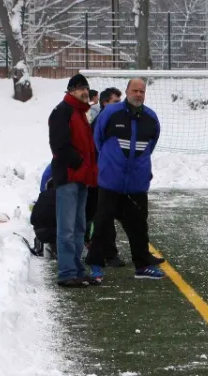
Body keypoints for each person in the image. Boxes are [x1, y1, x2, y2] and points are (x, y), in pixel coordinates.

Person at [86, 78, 165, 284]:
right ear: (127, 91)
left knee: (139, 225)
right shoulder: (111, 114)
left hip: (137, 183)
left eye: (142, 91)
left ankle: (142, 265)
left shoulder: (151, 118)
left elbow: (152, 143)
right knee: (102, 224)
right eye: (135, 90)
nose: (138, 94)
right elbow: (98, 140)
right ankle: (95, 265)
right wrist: (110, 163)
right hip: (110, 181)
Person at [49, 74, 98, 288]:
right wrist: (79, 162)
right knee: (67, 229)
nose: (84, 91)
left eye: (86, 88)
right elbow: (59, 145)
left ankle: (76, 270)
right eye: (79, 88)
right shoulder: (63, 112)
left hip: (81, 178)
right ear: (70, 91)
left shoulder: (81, 113)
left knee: (79, 228)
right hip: (69, 177)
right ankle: (67, 272)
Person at [85, 87, 124, 268]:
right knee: (102, 214)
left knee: (99, 214)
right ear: (105, 102)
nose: (119, 106)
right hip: (99, 176)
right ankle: (107, 253)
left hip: (104, 175)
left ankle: (101, 251)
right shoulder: (102, 121)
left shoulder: (112, 120)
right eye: (115, 102)